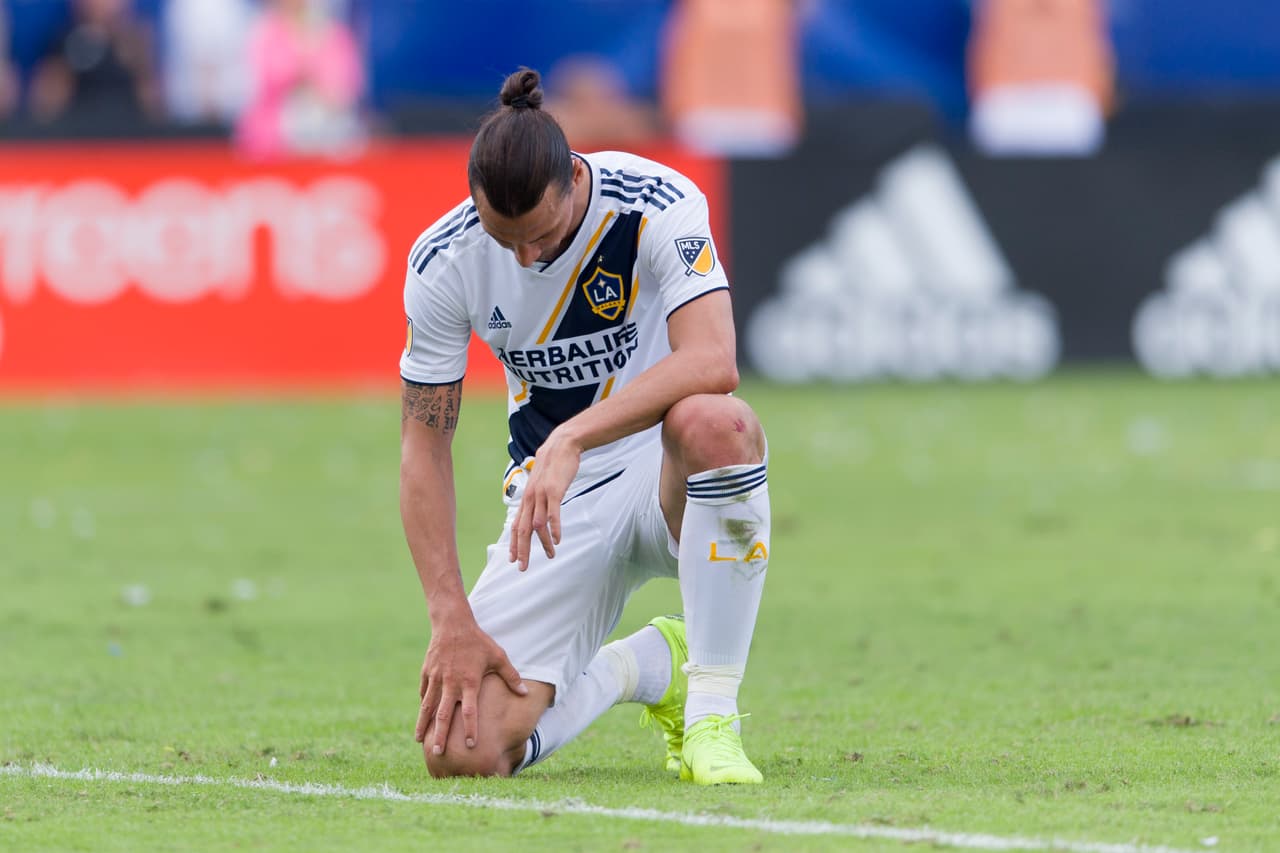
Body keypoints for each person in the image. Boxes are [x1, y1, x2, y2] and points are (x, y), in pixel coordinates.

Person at [399, 68, 772, 784]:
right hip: (554, 506)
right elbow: (424, 448)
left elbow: (714, 357)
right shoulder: (444, 260)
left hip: (667, 473)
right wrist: (449, 617)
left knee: (719, 423)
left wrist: (572, 436)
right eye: (506, 240)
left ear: (574, 176)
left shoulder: (655, 201)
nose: (527, 257)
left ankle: (711, 718)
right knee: (462, 751)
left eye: (541, 235)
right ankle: (645, 665)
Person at [235, 0, 364, 159]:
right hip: (273, 139)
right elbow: (261, 83)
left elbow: (348, 85)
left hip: (328, 130)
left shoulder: (334, 33)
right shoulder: (263, 31)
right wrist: (298, 75)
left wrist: (321, 91)